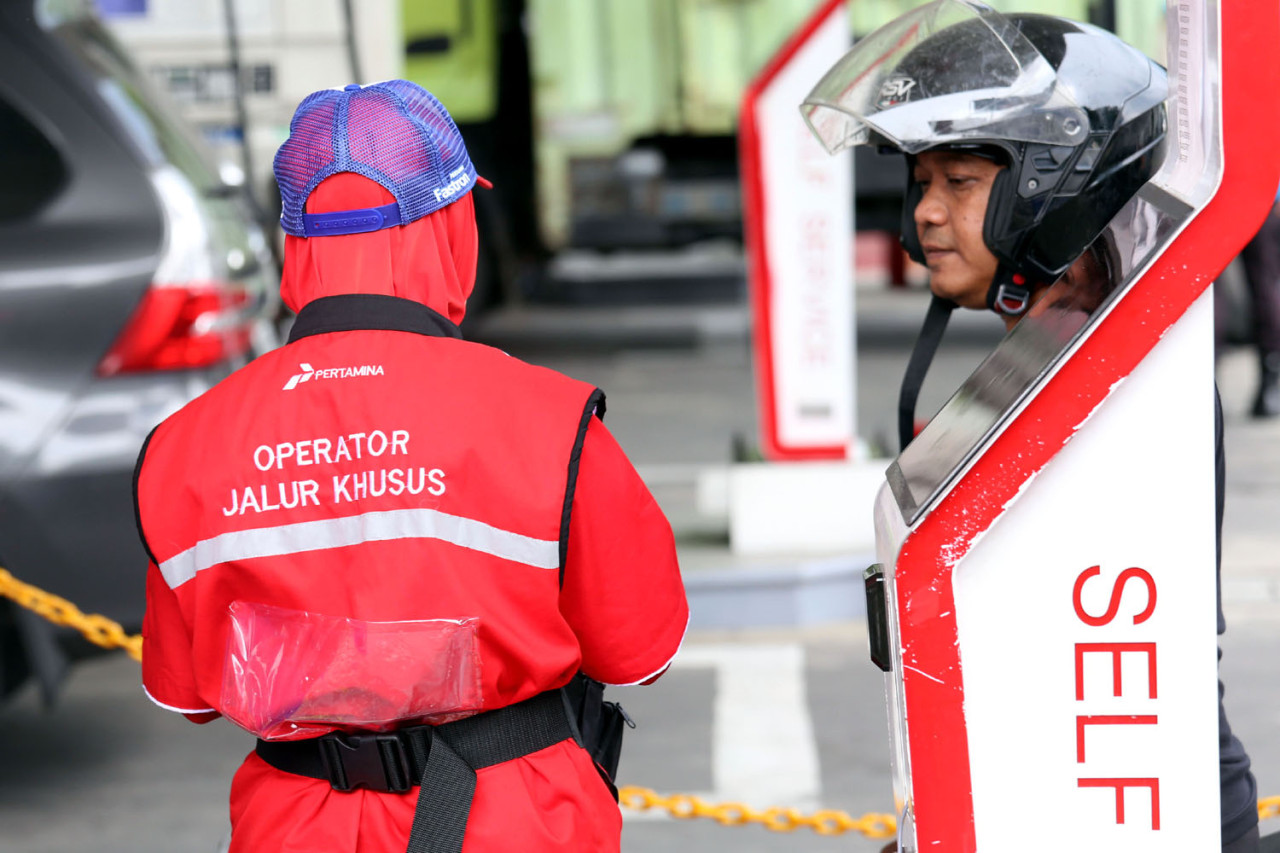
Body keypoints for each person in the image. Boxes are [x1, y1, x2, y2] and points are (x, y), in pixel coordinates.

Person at [133, 80, 689, 853]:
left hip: (292, 827)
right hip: (513, 822)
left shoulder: (180, 446)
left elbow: (181, 693)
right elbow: (641, 654)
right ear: (451, 226)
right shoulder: (549, 420)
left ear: (295, 242)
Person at [802, 3, 1260, 851]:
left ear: (1049, 188)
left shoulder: (1119, 377)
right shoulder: (1058, 349)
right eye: (921, 184)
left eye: (959, 183)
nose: (927, 214)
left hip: (1134, 797)